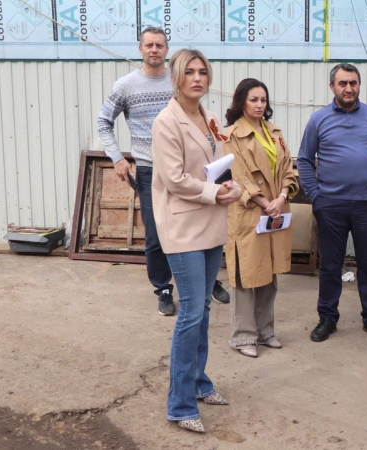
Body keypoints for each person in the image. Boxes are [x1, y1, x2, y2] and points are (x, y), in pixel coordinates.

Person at [97, 27, 230, 316]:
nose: (154, 49)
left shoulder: (180, 81)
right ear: (140, 49)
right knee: (158, 233)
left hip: (190, 167)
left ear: (167, 50)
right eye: (149, 45)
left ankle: (206, 280)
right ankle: (163, 287)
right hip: (150, 169)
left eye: (159, 45)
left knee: (201, 222)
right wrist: (117, 158)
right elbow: (103, 121)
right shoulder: (126, 86)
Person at [151, 49, 243, 433]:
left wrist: (230, 187)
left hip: (211, 221)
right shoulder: (166, 122)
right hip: (184, 226)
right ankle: (180, 404)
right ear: (176, 77)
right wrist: (214, 192)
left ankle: (200, 382)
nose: (197, 78)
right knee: (190, 312)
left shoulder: (209, 118)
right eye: (189, 72)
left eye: (202, 72)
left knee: (203, 309)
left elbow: (217, 165)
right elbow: (174, 179)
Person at [297, 63, 367, 343]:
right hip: (331, 205)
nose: (348, 88)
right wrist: (315, 196)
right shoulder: (318, 119)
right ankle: (328, 317)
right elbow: (304, 160)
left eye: (353, 83)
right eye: (342, 83)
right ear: (332, 86)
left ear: (359, 85)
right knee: (331, 265)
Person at [223, 78, 299, 358]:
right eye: (253, 99)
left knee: (269, 273)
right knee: (246, 275)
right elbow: (238, 176)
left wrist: (282, 197)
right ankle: (243, 336)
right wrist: (266, 203)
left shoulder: (274, 132)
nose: (259, 105)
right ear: (241, 101)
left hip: (275, 210)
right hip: (248, 212)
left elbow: (288, 167)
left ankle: (265, 331)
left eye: (263, 100)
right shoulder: (231, 136)